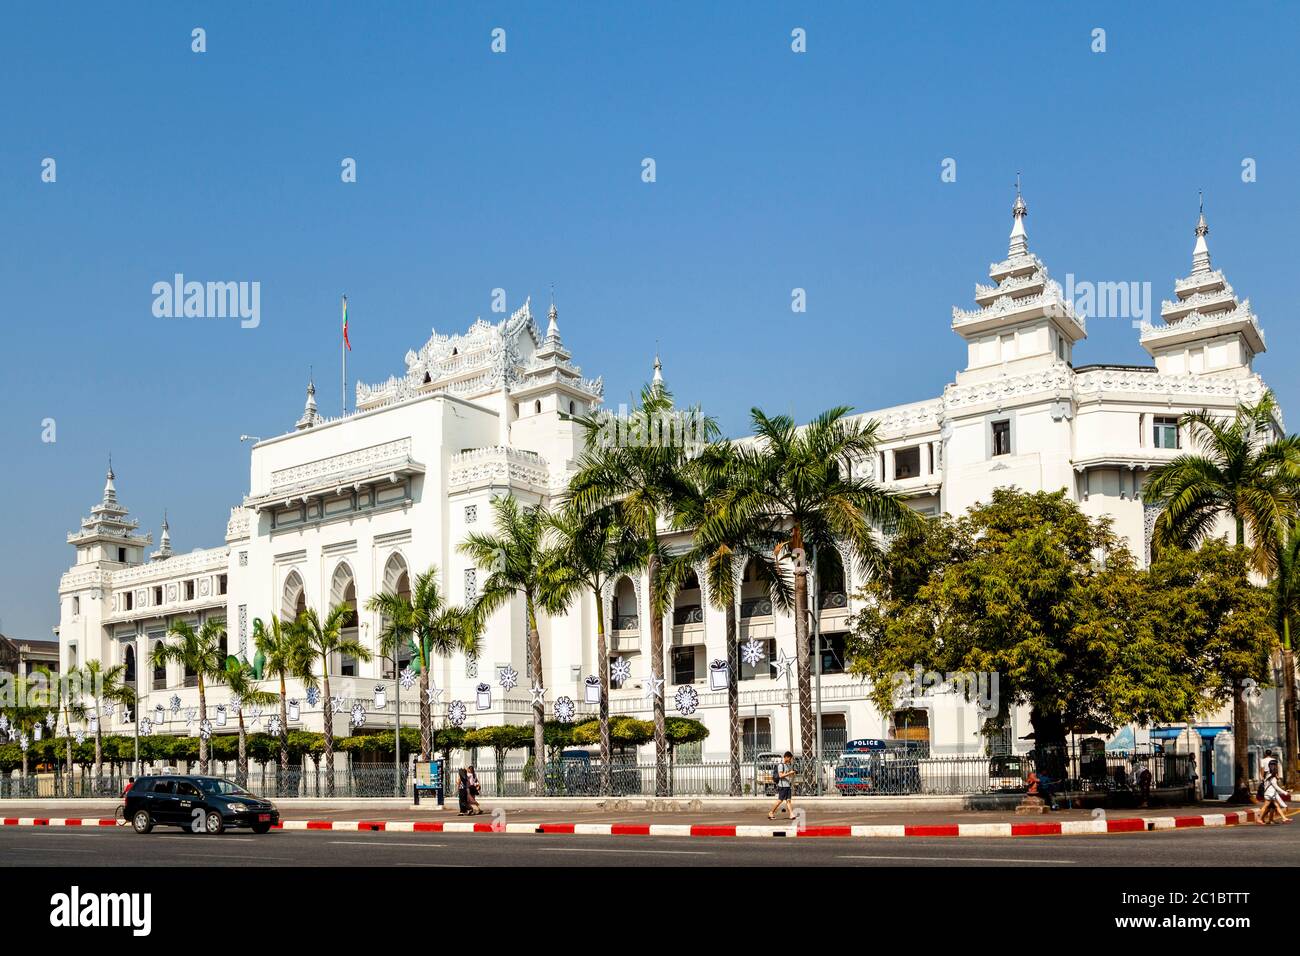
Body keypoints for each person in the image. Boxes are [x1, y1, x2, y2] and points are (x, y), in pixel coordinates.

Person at [767, 752, 795, 821]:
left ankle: (791, 814)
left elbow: (786, 775)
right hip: (782, 786)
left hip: (787, 785)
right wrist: (789, 773)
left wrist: (791, 774)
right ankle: (771, 812)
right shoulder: (781, 765)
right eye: (790, 758)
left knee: (788, 800)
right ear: (786, 757)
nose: (790, 760)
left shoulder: (787, 765)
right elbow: (780, 775)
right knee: (780, 800)